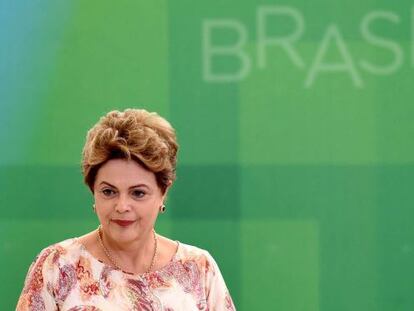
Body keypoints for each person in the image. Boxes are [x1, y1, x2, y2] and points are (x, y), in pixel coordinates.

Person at [16, 109, 236, 310]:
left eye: (138, 193)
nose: (122, 207)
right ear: (93, 190)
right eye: (109, 192)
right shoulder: (57, 265)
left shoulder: (198, 267)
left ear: (163, 192)